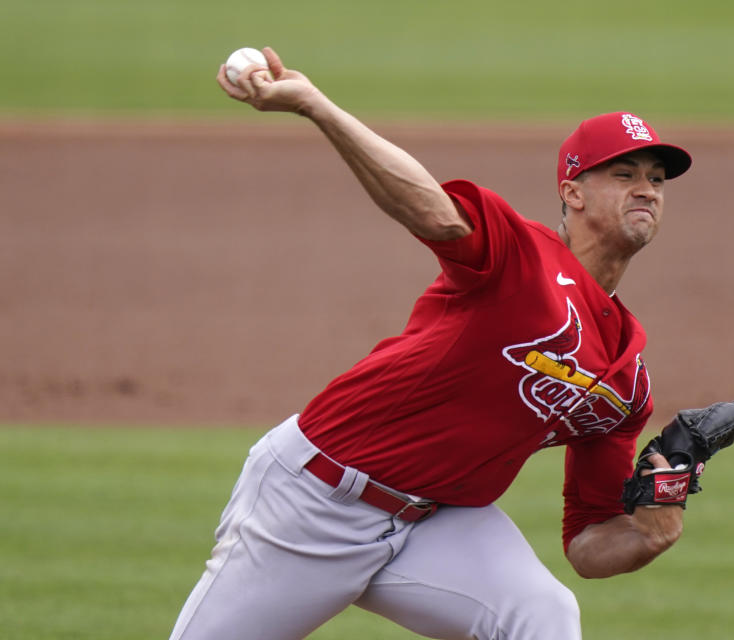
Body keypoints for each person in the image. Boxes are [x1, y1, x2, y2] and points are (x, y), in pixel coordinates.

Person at [170, 46, 701, 640]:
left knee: (545, 615)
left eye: (656, 180)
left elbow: (588, 543)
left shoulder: (626, 382)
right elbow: (433, 213)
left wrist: (653, 530)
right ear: (572, 192)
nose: (646, 190)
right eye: (624, 175)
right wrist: (316, 107)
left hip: (437, 524)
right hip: (314, 501)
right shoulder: (518, 256)